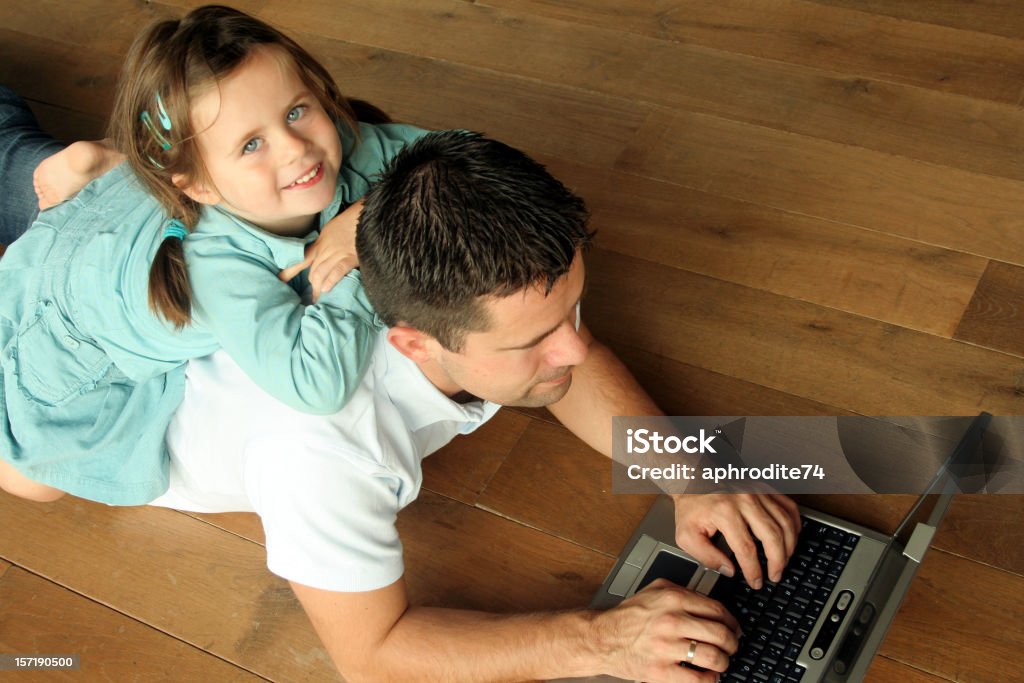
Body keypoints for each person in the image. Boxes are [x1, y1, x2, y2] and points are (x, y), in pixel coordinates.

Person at [149, 130, 802, 683]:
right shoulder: (322, 453)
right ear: (414, 343)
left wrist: (690, 471)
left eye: (570, 306)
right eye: (534, 340)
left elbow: (572, 365)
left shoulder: (440, 255)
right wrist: (603, 640)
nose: (577, 347)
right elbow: (373, 654)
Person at [0, 6, 432, 505]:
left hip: (119, 216)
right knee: (34, 481)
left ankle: (113, 161)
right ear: (197, 183)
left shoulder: (349, 144)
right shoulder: (217, 265)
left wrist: (361, 218)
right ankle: (109, 161)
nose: (295, 149)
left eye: (296, 111)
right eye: (252, 144)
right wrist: (362, 251)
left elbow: (463, 156)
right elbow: (315, 384)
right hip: (61, 312)